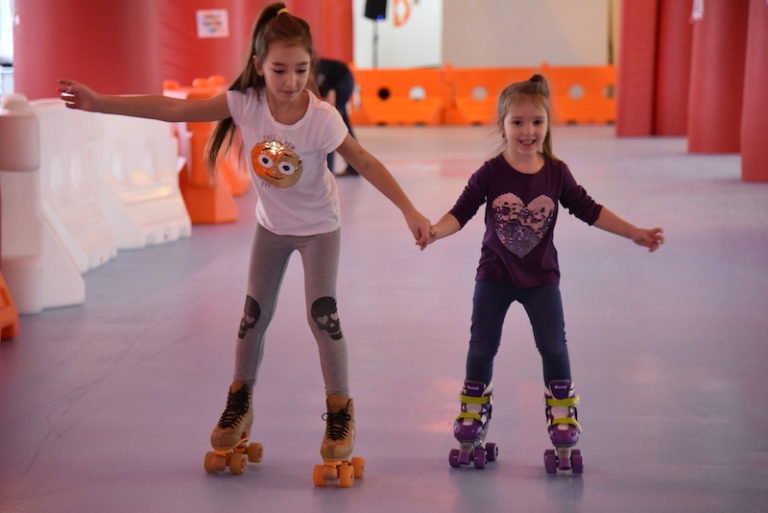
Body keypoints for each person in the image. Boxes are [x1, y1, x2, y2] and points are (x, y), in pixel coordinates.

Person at [58, 2, 431, 475]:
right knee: (252, 318)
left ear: (311, 67)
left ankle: (340, 413)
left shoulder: (322, 118)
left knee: (323, 316)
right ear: (259, 66)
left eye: (300, 69)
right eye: (279, 70)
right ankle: (240, 402)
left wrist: (409, 210)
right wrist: (101, 102)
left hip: (319, 230)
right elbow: (173, 108)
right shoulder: (245, 103)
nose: (291, 81)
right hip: (271, 229)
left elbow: (367, 163)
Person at [426, 74, 664, 472]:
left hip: (541, 279)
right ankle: (472, 413)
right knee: (482, 346)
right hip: (494, 276)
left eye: (537, 121)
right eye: (517, 122)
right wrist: (435, 231)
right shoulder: (489, 173)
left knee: (554, 348)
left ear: (548, 124)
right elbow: (460, 212)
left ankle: (563, 417)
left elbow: (590, 209)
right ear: (501, 125)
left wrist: (634, 233)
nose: (528, 130)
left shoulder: (556, 173)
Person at [316, 58, 358, 176]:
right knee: (342, 124)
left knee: (329, 124)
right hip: (344, 78)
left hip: (343, 81)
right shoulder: (312, 69)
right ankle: (353, 167)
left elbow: (330, 97)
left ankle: (328, 170)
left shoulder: (316, 71)